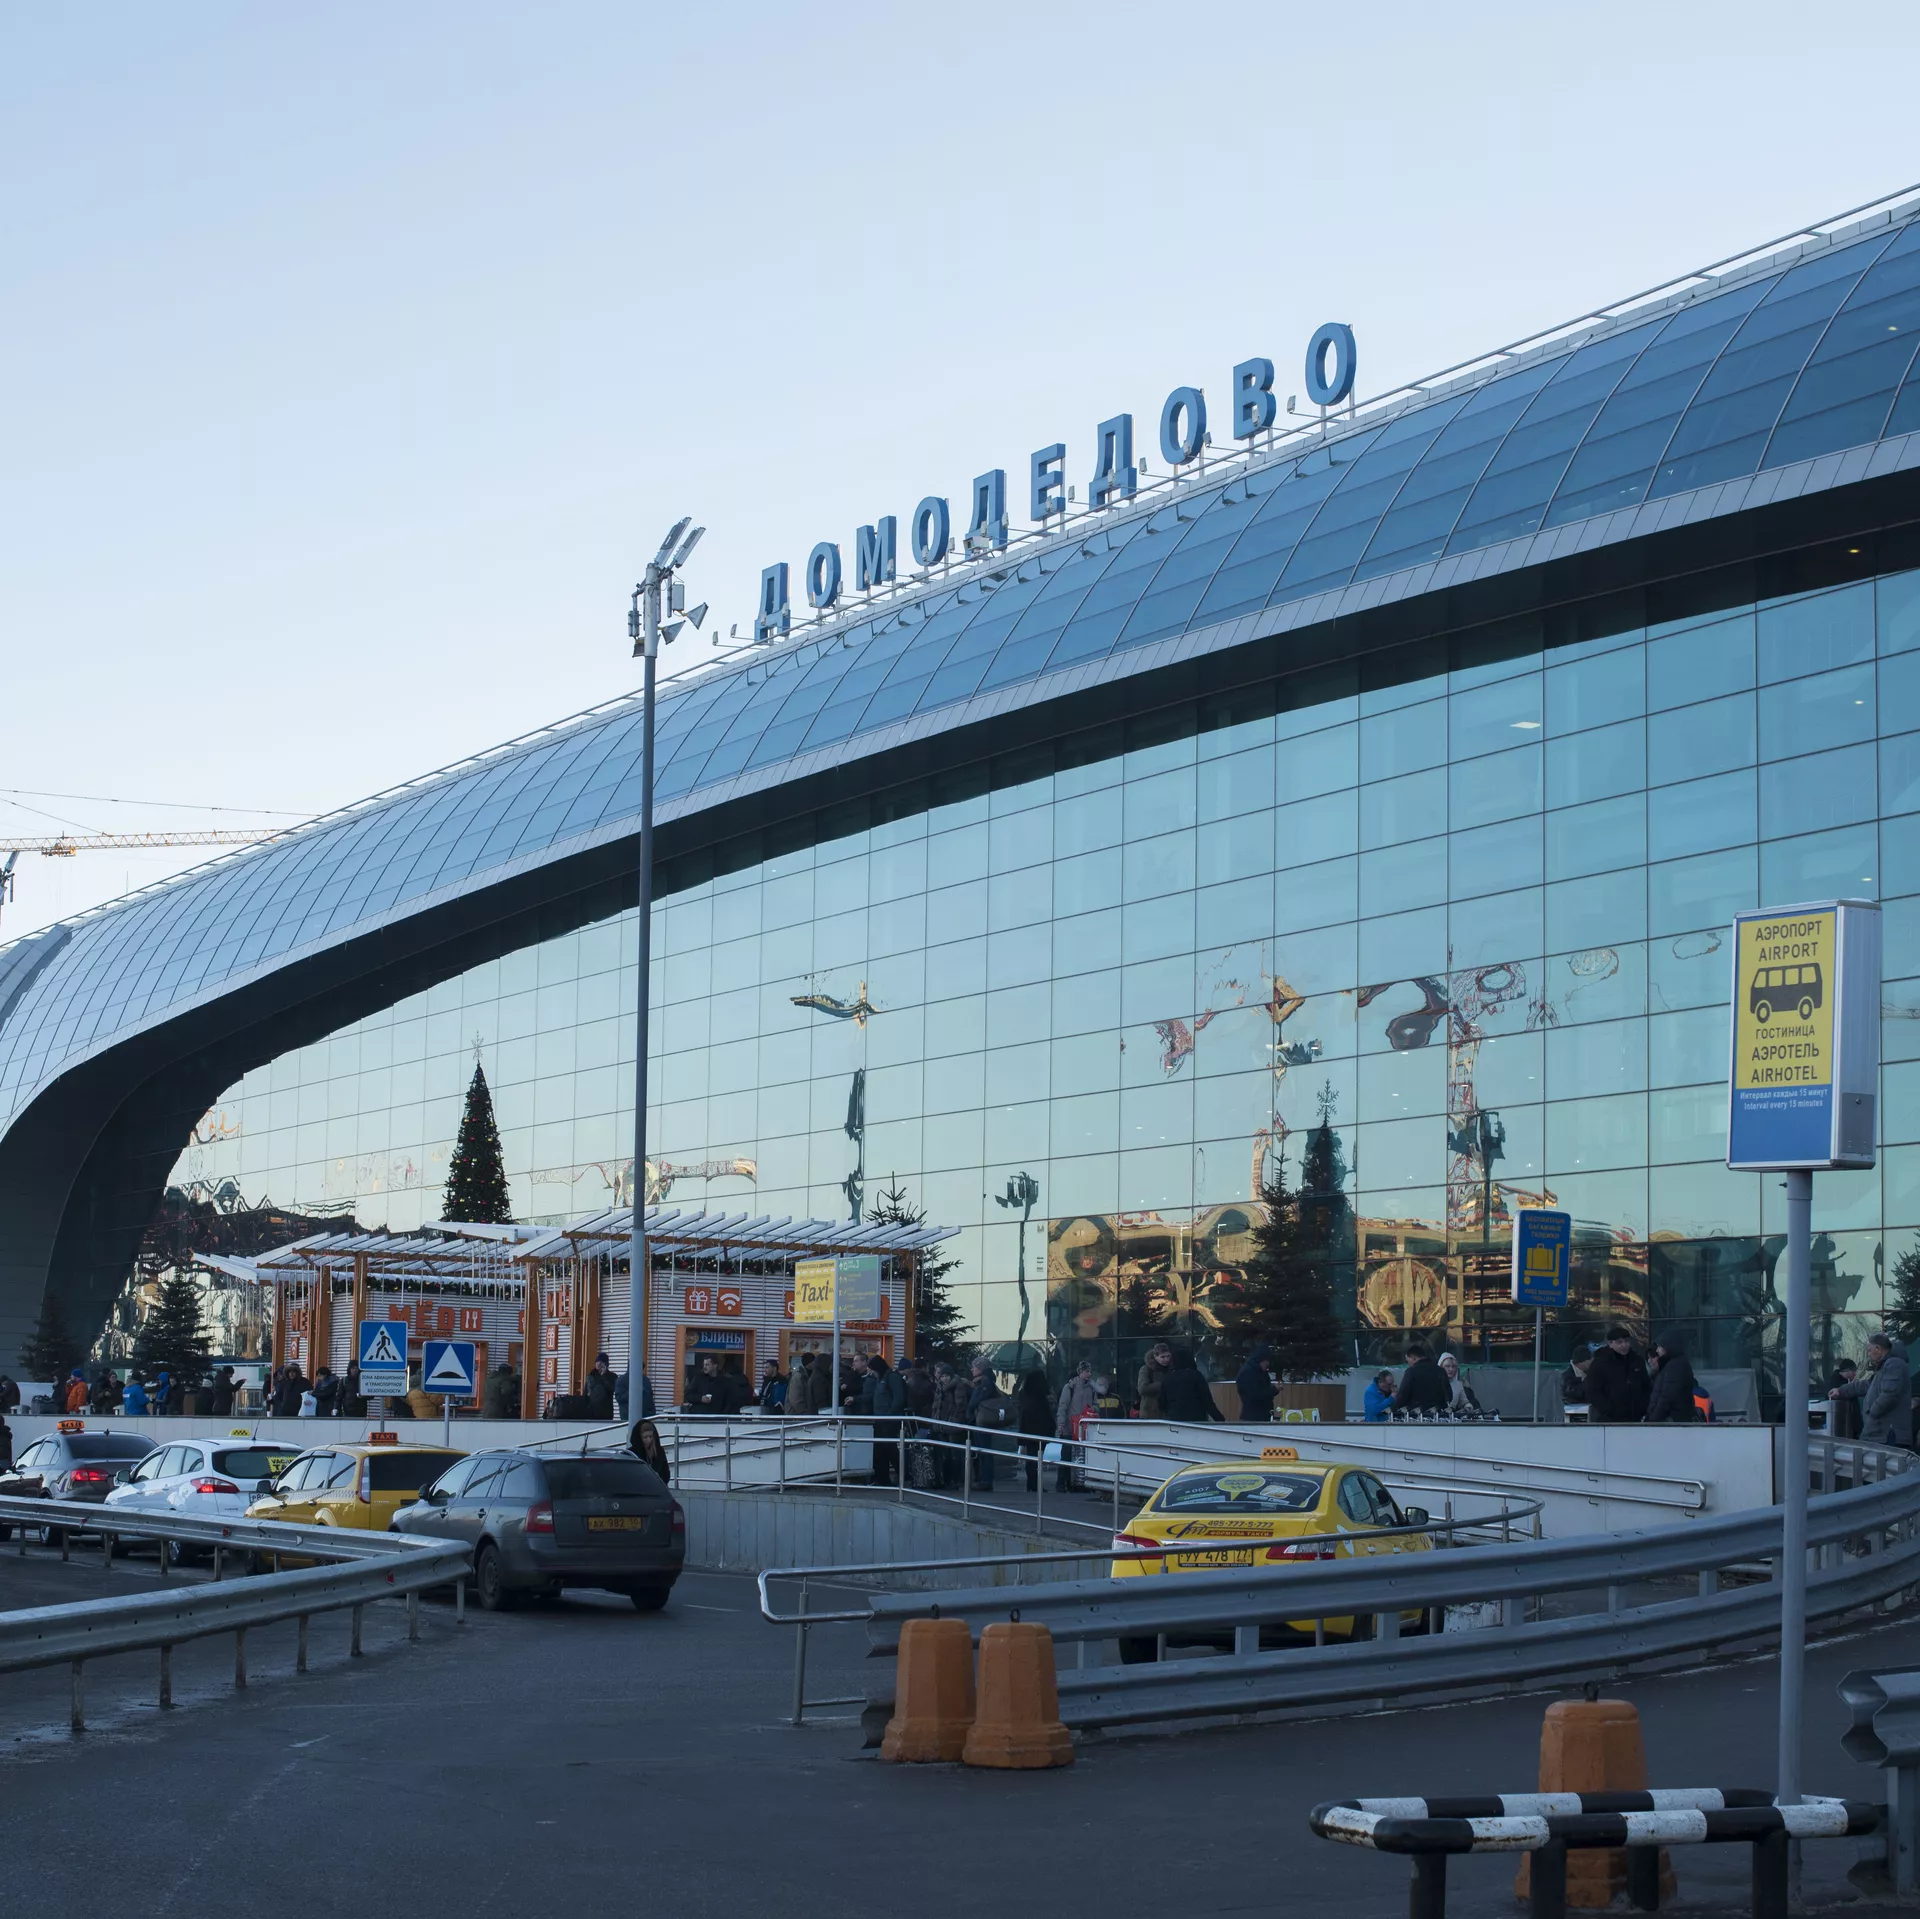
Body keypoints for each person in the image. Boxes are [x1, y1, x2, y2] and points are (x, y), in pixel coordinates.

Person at [1831, 1332, 1913, 1447]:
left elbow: (1889, 1395)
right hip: (1883, 1434)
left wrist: (1871, 1413)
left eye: (1869, 1350)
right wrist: (1841, 1391)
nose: (1868, 1354)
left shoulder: (1894, 1364)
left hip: (1888, 1434)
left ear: (1878, 1349)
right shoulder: (1885, 1367)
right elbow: (1866, 1385)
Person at [1585, 1325, 1651, 1424]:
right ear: (1610, 1343)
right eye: (1619, 1342)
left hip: (1635, 1417)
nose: (1624, 1345)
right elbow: (1592, 1391)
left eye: (1627, 1341)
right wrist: (1607, 1410)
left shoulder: (1637, 1361)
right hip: (1608, 1419)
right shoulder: (1600, 1363)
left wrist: (1642, 1408)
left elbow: (1646, 1387)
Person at [967, 1357, 1012, 1490]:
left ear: (980, 1368)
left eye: (974, 1367)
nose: (972, 1369)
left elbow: (977, 1400)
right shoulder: (983, 1381)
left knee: (984, 1450)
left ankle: (986, 1480)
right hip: (980, 1420)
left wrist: (971, 1406)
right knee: (982, 1450)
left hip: (982, 1421)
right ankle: (983, 1479)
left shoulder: (985, 1382)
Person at [1644, 1331, 1702, 1423]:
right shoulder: (1671, 1364)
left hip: (1673, 1420)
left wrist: (1654, 1420)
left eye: (1660, 1347)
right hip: (1673, 1418)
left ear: (1668, 1346)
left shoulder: (1675, 1365)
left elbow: (1667, 1397)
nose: (1657, 1350)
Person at [867, 1352, 907, 1485]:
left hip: (888, 1419)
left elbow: (899, 1397)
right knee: (880, 1449)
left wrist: (890, 1413)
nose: (871, 1373)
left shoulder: (892, 1377)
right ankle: (882, 1478)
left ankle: (905, 1475)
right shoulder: (880, 1378)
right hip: (880, 1419)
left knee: (890, 1449)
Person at [931, 1359, 971, 1486]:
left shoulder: (957, 1386)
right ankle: (947, 1479)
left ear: (951, 1376)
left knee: (955, 1454)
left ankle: (955, 1479)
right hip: (942, 1425)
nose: (944, 1378)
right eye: (942, 1376)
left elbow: (960, 1407)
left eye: (946, 1376)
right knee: (945, 1454)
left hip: (953, 1425)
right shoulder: (940, 1388)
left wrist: (953, 1422)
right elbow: (936, 1406)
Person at [1160, 1347, 1225, 1424]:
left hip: (1175, 1421)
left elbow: (1162, 1403)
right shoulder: (1196, 1375)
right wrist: (1221, 1421)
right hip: (1196, 1421)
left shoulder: (1167, 1378)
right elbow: (1207, 1401)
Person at [1014, 1368, 1054, 1492]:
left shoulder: (1025, 1396)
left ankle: (1032, 1484)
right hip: (1042, 1432)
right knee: (1037, 1459)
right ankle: (1036, 1485)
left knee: (1031, 1458)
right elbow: (1048, 1417)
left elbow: (1023, 1416)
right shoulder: (1042, 1398)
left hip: (1029, 1432)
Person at [1393, 1343, 1451, 1415]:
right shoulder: (1440, 1370)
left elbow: (1403, 1394)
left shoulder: (1411, 1371)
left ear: (1413, 1357)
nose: (1409, 1364)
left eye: (1408, 1361)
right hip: (1437, 1414)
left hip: (1416, 1415)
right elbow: (1449, 1394)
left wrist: (1395, 1408)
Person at [1234, 1344, 1278, 1423]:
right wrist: (1274, 1390)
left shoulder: (1259, 1371)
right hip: (1252, 1418)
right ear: (1260, 1359)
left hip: (1261, 1416)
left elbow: (1263, 1389)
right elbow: (1255, 1394)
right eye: (1267, 1360)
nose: (1268, 1363)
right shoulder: (1248, 1372)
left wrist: (1274, 1389)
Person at [1136, 1341, 1173, 1419]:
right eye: (1162, 1357)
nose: (1166, 1359)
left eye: (1168, 1356)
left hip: (1168, 1412)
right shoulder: (1146, 1369)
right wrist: (1163, 1385)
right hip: (1150, 1412)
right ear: (1155, 1357)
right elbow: (1142, 1389)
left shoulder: (1172, 1369)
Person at [630, 1417, 672, 1484]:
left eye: (650, 1437)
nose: (649, 1440)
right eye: (645, 1437)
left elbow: (666, 1474)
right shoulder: (632, 1453)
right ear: (639, 1437)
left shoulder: (659, 1451)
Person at [1827, 1360, 1861, 1440]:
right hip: (1844, 1424)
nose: (1855, 1374)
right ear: (1847, 1370)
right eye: (1853, 1371)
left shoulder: (1843, 1381)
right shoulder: (1837, 1384)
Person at [583, 1352, 618, 1422]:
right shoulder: (591, 1376)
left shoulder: (612, 1376)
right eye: (597, 1361)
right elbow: (585, 1393)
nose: (598, 1364)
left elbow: (612, 1388)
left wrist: (603, 1376)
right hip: (592, 1411)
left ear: (606, 1364)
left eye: (601, 1362)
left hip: (606, 1411)